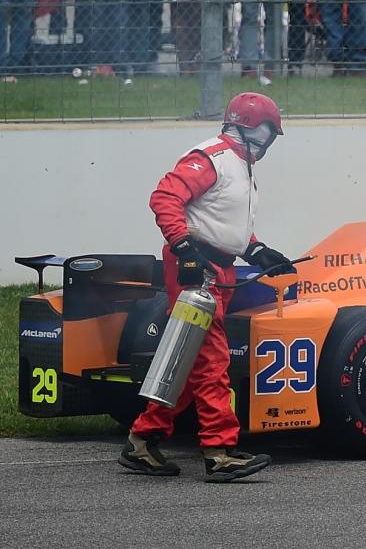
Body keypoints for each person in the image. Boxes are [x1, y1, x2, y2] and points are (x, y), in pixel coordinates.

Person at [120, 92, 295, 481]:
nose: (269, 142)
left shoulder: (239, 165)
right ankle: (220, 452)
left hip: (216, 269)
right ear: (255, 130)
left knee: (188, 363)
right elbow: (165, 197)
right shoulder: (213, 157)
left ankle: (143, 440)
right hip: (196, 271)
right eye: (269, 132)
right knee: (212, 364)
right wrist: (184, 248)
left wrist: (258, 250)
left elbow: (221, 224)